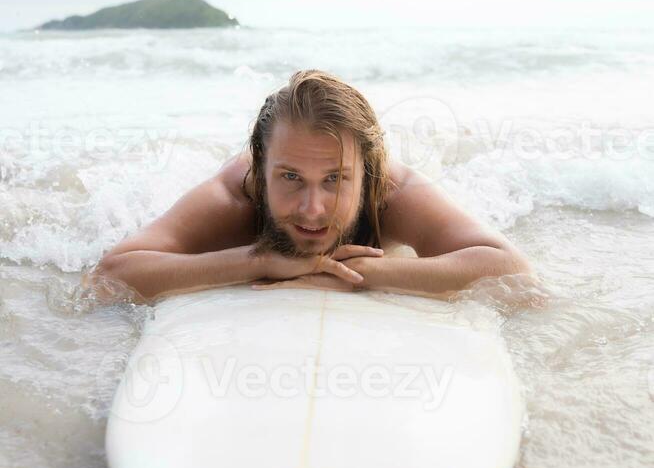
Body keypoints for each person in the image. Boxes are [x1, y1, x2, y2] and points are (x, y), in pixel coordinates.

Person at [93, 69, 533, 302]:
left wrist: (358, 272)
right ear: (262, 172)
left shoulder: (392, 193)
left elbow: (512, 270)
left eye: (336, 180)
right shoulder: (234, 196)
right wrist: (258, 259)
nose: (312, 209)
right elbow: (110, 276)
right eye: (290, 178)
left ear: (368, 173)